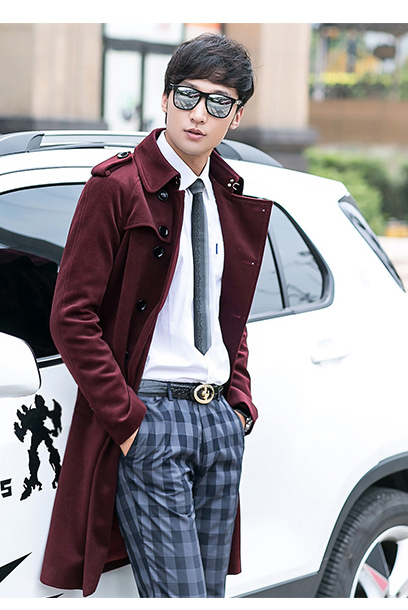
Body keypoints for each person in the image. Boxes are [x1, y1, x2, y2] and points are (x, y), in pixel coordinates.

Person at [40, 33, 272, 598]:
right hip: (154, 420)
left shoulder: (227, 194)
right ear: (165, 99)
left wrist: (239, 402)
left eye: (218, 102)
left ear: (236, 116)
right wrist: (129, 424)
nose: (199, 114)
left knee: (207, 596)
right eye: (188, 96)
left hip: (218, 422)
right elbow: (71, 316)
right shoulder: (117, 188)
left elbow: (226, 314)